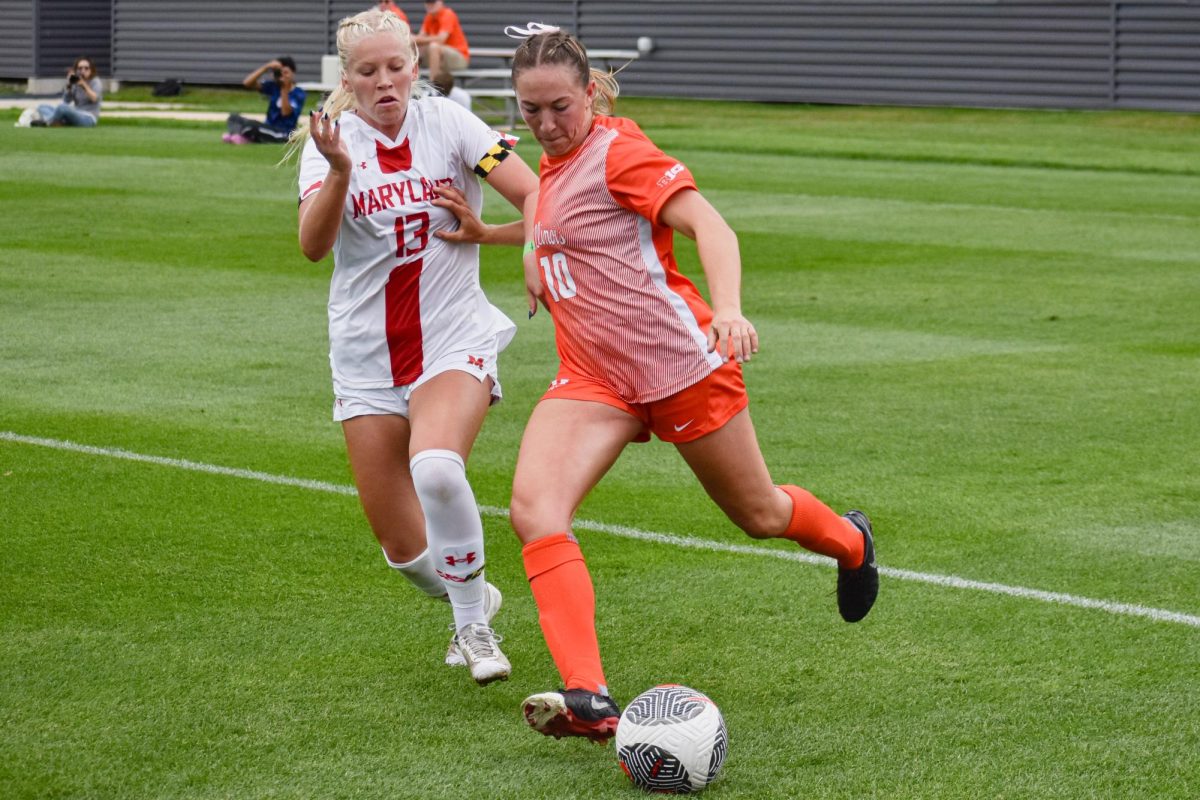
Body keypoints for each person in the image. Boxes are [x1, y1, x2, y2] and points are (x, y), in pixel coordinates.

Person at [438, 25, 880, 741]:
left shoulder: (620, 154)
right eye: (530, 111)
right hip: (593, 379)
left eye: (559, 108)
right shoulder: (550, 163)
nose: (546, 125)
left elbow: (711, 227)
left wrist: (729, 309)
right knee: (535, 511)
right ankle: (589, 697)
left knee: (759, 514)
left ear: (589, 93)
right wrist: (489, 235)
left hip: (682, 367)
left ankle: (851, 541)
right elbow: (563, 228)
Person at [291, 9, 538, 686]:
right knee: (403, 549)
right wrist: (340, 171)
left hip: (453, 339)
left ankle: (475, 632)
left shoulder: (453, 124)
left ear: (416, 64)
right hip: (366, 355)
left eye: (397, 66)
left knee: (436, 468)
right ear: (349, 78)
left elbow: (534, 191)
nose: (386, 81)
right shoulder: (329, 142)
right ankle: (472, 598)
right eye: (368, 72)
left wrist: (520, 247)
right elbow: (313, 246)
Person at [224, 57, 306, 144]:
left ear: (293, 73)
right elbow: (247, 83)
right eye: (280, 73)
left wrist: (284, 89)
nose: (283, 76)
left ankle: (241, 136)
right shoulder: (274, 87)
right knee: (234, 118)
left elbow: (285, 113)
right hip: (268, 126)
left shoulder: (298, 93)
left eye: (286, 73)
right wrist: (266, 67)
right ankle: (241, 135)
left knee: (252, 126)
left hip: (284, 132)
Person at [414, 0, 469, 87]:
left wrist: (416, 38)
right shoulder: (429, 17)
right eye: (427, 2)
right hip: (440, 58)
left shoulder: (447, 14)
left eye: (433, 2)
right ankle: (413, 84)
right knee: (414, 47)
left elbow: (440, 39)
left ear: (441, 2)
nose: (430, 5)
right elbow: (419, 38)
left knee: (434, 46)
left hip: (459, 58)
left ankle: (433, 86)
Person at [34, 57, 102, 127]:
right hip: (75, 112)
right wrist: (69, 85)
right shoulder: (76, 82)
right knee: (42, 107)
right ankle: (57, 122)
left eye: (86, 68)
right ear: (76, 70)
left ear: (91, 70)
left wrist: (83, 85)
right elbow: (66, 101)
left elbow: (94, 98)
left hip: (88, 117)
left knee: (61, 108)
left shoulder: (95, 81)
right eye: (80, 68)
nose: (83, 70)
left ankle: (47, 122)